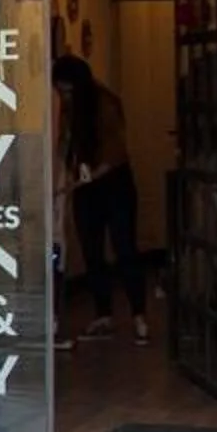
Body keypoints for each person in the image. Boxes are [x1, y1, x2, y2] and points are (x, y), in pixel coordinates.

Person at [52, 54, 147, 342]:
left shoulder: (104, 104)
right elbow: (64, 145)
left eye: (66, 90)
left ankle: (139, 315)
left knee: (124, 248)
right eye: (60, 91)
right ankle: (103, 315)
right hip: (86, 186)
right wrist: (66, 177)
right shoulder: (70, 110)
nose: (63, 96)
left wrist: (88, 176)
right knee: (92, 251)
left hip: (114, 183)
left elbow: (115, 150)